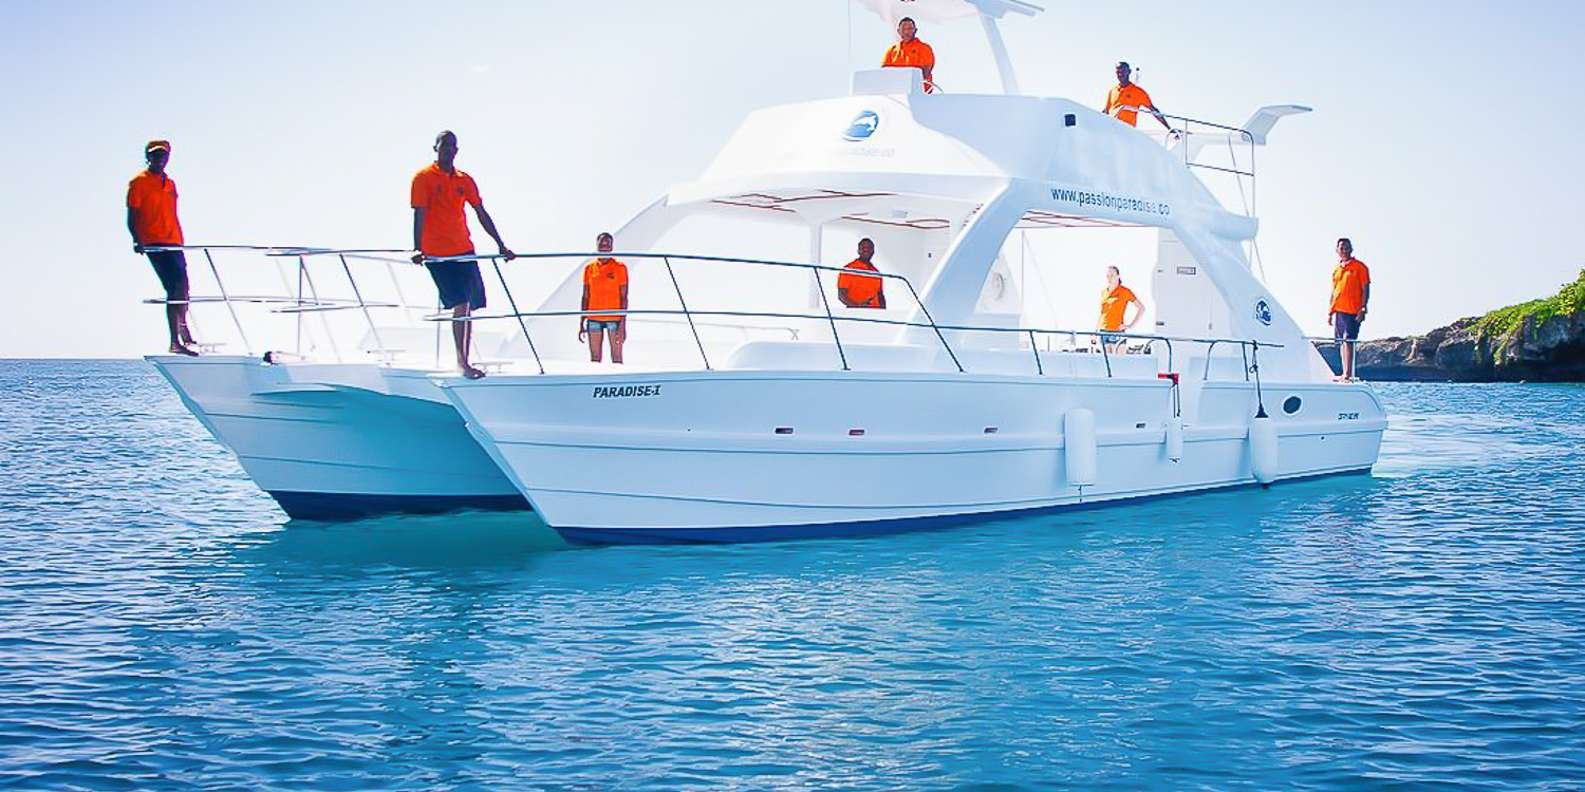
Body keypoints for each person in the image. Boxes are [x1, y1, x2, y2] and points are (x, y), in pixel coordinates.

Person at [410, 130, 514, 379]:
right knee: (461, 303)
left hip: (464, 249)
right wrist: (417, 247)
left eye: (452, 146)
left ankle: (465, 358)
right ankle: (463, 363)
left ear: (457, 150)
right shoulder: (423, 178)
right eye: (444, 145)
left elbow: (480, 212)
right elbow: (419, 214)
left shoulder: (464, 180)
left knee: (470, 304)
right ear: (435, 148)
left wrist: (501, 244)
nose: (448, 149)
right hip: (437, 253)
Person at [127, 139, 198, 355]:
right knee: (173, 287)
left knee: (184, 286)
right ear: (148, 157)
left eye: (163, 155)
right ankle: (175, 341)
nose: (159, 159)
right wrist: (136, 239)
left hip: (174, 240)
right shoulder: (138, 182)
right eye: (155, 155)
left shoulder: (170, 183)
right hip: (154, 242)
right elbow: (132, 215)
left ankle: (183, 328)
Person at [579, 232, 629, 364]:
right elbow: (585, 296)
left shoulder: (620, 268)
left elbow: (624, 297)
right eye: (601, 243)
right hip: (594, 317)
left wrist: (623, 324)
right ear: (597, 245)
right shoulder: (589, 268)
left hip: (614, 318)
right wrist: (581, 321)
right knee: (595, 359)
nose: (604, 246)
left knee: (617, 358)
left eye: (607, 244)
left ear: (612, 247)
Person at [1329, 238, 1371, 381]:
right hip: (1339, 310)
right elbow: (1334, 290)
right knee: (1341, 341)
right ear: (1337, 250)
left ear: (1351, 249)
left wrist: (1363, 308)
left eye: (1347, 248)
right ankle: (1344, 372)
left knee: (1349, 340)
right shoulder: (1337, 269)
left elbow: (1365, 288)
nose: (1344, 250)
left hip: (1353, 310)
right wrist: (1330, 312)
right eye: (1341, 248)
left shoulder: (1360, 267)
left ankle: (1348, 373)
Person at [1102, 61, 1171, 131]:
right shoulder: (1112, 91)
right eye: (1118, 72)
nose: (1120, 74)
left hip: (1127, 131)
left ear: (1129, 72)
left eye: (1123, 71)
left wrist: (1169, 128)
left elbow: (1154, 110)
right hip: (1111, 129)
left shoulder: (1138, 92)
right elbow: (1106, 111)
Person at [882, 16, 935, 93]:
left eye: (910, 29)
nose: (906, 32)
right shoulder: (891, 51)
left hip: (921, 93)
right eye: (903, 29)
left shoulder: (924, 48)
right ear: (898, 31)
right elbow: (884, 74)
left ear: (915, 30)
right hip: (897, 93)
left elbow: (925, 72)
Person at [1097, 265, 1144, 352]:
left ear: (1118, 276)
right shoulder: (1104, 291)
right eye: (1107, 276)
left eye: (1112, 275)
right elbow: (1102, 313)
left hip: (1117, 331)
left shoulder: (1125, 291)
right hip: (1103, 331)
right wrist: (1096, 331)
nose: (1109, 278)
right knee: (1105, 359)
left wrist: (1130, 325)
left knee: (1118, 359)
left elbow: (1141, 308)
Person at [837, 238, 886, 309]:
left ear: (873, 251)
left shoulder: (876, 273)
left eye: (869, 248)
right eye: (863, 247)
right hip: (857, 313)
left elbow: (880, 296)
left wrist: (884, 313)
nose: (866, 250)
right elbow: (841, 295)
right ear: (858, 251)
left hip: (876, 313)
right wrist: (858, 307)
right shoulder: (848, 269)